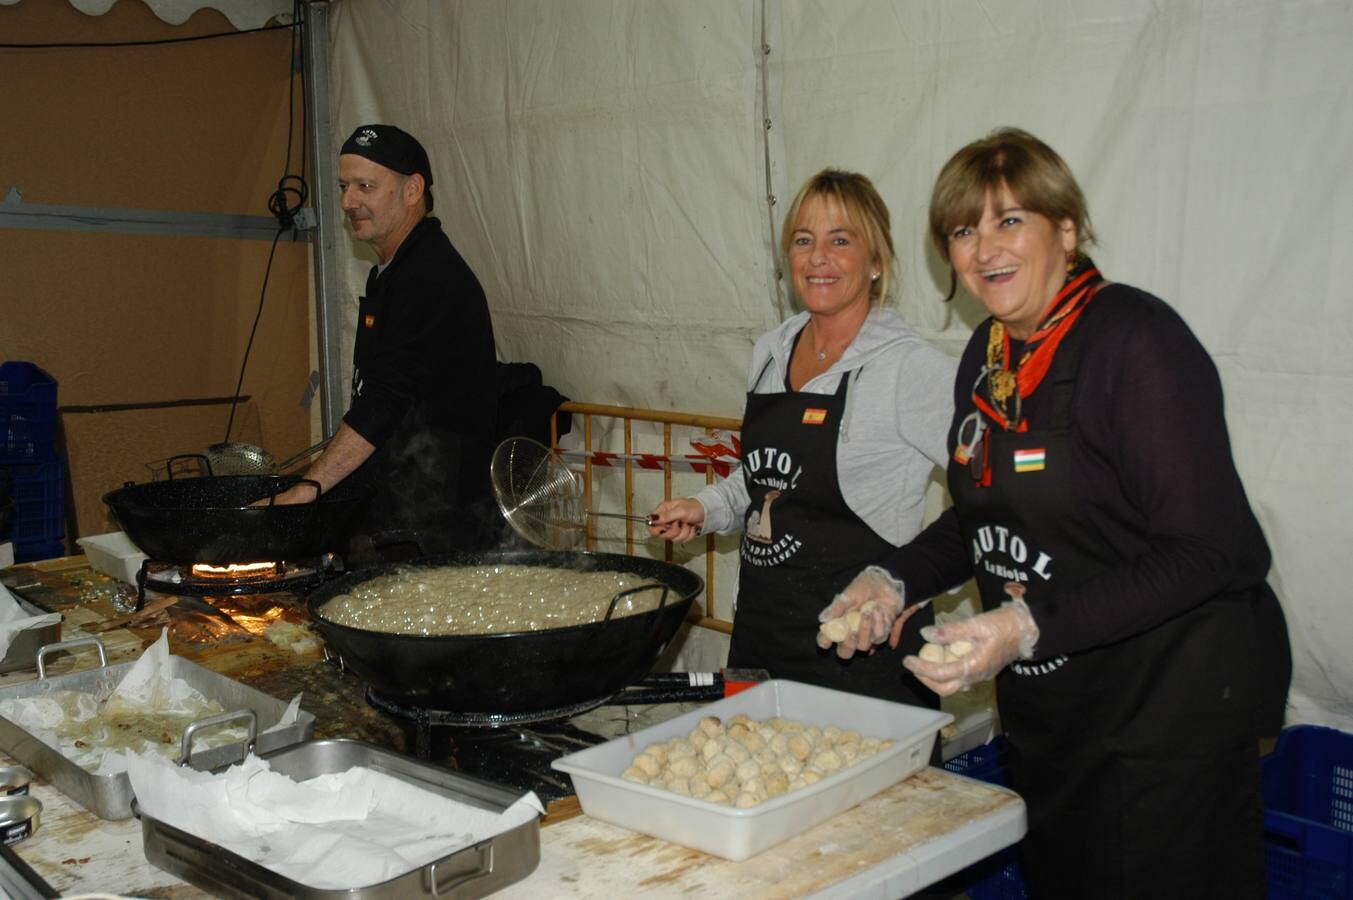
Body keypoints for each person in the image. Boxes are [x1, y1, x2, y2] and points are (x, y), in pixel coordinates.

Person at [821, 128, 1291, 898]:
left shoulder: (1136, 343)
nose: (983, 249)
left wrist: (1023, 624)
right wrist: (892, 577)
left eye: (1010, 221)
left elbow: (1208, 549)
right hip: (1054, 706)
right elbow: (981, 514)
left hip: (1166, 707)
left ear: (1065, 229)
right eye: (962, 229)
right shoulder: (988, 355)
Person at [648, 169, 956, 706]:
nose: (818, 257)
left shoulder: (910, 369)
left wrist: (909, 584)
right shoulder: (772, 349)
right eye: (803, 240)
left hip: (862, 652)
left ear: (876, 260)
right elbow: (764, 476)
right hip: (763, 635)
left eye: (841, 239)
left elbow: (995, 496)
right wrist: (706, 506)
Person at [273, 124, 499, 555]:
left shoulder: (430, 276)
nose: (347, 202)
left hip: (435, 520)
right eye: (344, 186)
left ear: (412, 190)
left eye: (365, 186)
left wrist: (308, 489)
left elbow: (384, 403)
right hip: (401, 503)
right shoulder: (392, 272)